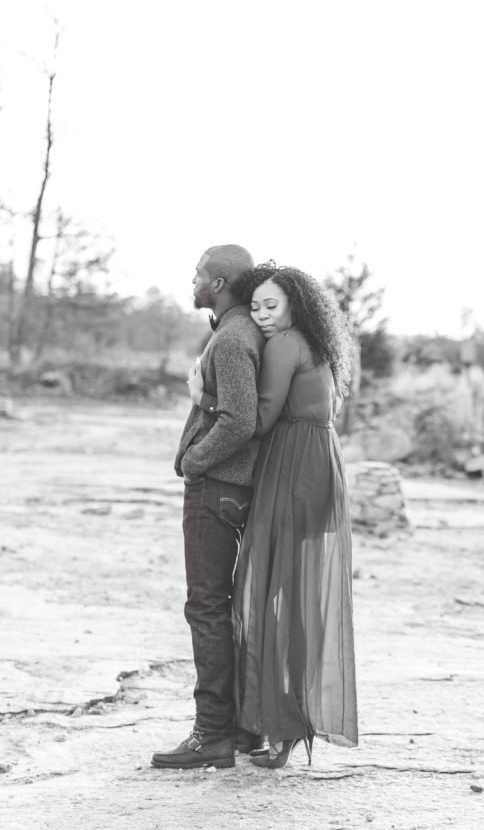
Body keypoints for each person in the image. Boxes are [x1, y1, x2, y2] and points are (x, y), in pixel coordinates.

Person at [192, 261, 358, 768]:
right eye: (256, 306)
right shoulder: (315, 344)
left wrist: (202, 397)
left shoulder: (285, 344)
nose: (262, 315)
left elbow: (258, 418)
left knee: (266, 597)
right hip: (320, 466)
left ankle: (277, 725)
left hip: (293, 469)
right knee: (292, 597)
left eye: (271, 306)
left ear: (295, 306)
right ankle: (281, 727)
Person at [151, 245, 264, 770]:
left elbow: (240, 419)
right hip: (225, 487)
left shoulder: (234, 338)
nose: (192, 281)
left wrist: (195, 460)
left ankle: (212, 733)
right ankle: (242, 728)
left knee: (206, 607)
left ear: (218, 282)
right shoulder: (236, 331)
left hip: (216, 487)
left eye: (198, 273)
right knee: (223, 607)